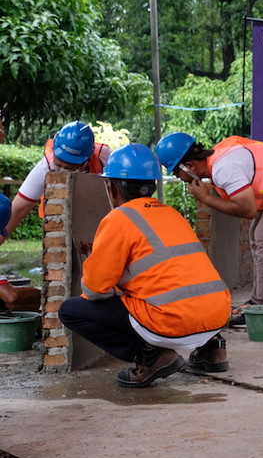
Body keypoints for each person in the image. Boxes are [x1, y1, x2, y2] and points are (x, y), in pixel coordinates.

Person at [57, 144, 232, 386]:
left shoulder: (118, 218)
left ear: (112, 187)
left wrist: (99, 263)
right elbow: (166, 268)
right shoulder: (172, 214)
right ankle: (213, 348)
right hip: (217, 314)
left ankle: (152, 356)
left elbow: (95, 290)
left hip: (173, 322)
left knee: (71, 311)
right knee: (184, 293)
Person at [155, 132, 263, 321]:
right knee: (257, 235)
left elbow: (247, 210)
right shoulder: (218, 160)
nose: (179, 177)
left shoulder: (224, 169)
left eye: (176, 172)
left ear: (189, 166)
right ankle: (259, 300)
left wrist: (205, 198)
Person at [0, 121, 112, 244]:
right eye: (58, 165)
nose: (62, 171)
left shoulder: (105, 157)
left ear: (87, 160)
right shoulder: (44, 168)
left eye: (69, 168)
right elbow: (17, 211)